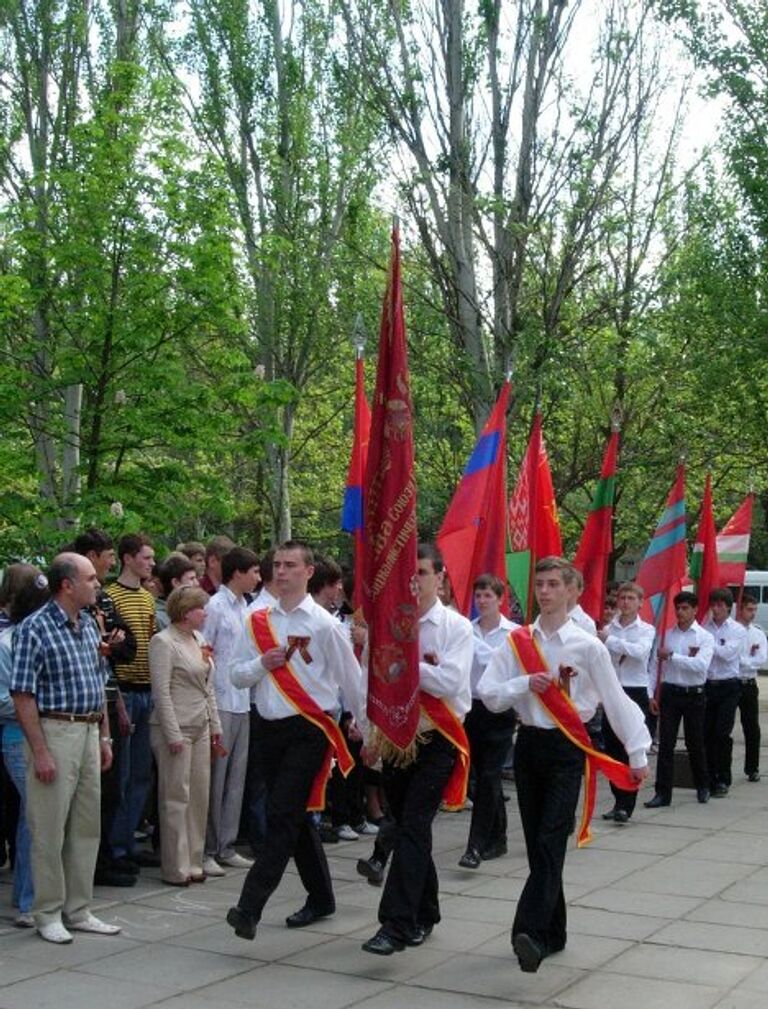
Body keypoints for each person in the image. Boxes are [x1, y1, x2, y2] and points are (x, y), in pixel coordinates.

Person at [478, 557, 649, 973]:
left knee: (552, 838)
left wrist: (638, 752)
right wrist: (524, 684)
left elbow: (614, 699)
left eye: (554, 584)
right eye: (540, 584)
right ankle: (554, 933)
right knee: (539, 844)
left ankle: (530, 934)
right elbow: (487, 693)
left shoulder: (588, 645)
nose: (545, 591)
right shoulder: (517, 641)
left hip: (569, 748)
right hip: (530, 746)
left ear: (571, 591)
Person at [225, 541, 365, 942]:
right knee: (297, 816)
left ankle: (249, 906)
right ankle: (321, 897)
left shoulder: (323, 624)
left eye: (290, 565)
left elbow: (351, 679)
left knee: (282, 813)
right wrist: (260, 664)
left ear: (308, 572)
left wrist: (365, 726)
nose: (281, 571)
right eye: (277, 565)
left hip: (310, 729)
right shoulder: (256, 620)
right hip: (268, 726)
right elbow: (234, 675)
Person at [361, 543, 473, 956]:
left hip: (438, 737)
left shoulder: (457, 627)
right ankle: (426, 911)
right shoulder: (389, 622)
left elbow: (450, 683)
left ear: (440, 578)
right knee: (411, 826)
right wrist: (368, 728)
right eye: (410, 575)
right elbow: (370, 677)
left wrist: (409, 662)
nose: (416, 581)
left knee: (411, 826)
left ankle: (395, 923)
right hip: (395, 736)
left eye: (424, 573)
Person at [10, 553, 122, 943]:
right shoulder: (34, 629)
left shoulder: (89, 624)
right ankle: (46, 911)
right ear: (67, 585)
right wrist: (39, 750)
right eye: (91, 578)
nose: (98, 584)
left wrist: (105, 736)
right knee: (49, 827)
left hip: (89, 729)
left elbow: (98, 681)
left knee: (86, 826)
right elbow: (23, 693)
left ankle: (79, 908)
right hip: (55, 730)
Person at [149, 585, 222, 885]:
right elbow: (161, 691)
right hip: (175, 726)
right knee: (176, 795)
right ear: (186, 611)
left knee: (199, 796)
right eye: (200, 608)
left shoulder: (199, 639)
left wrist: (216, 725)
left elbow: (209, 687)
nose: (205, 613)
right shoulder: (163, 642)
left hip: (201, 724)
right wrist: (172, 732)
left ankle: (194, 859)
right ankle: (175, 864)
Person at [202, 547, 260, 877]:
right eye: (253, 571)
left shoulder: (246, 607)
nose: (257, 577)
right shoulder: (215, 606)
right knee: (217, 778)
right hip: (220, 700)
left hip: (242, 701)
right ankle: (209, 847)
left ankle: (227, 843)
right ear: (236, 572)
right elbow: (204, 650)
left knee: (236, 778)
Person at [0, 565, 50, 926]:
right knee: (37, 816)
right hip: (19, 738)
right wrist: (40, 707)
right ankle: (32, 900)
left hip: (40, 735)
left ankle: (26, 896)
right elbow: (6, 699)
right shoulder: (7, 643)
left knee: (30, 818)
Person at [105, 533, 158, 872]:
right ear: (127, 558)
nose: (151, 564)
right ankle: (116, 846)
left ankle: (128, 839)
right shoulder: (111, 596)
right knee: (121, 776)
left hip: (147, 688)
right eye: (146, 558)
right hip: (123, 688)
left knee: (141, 773)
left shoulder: (148, 599)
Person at [458, 573, 517, 869]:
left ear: (500, 599)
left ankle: (475, 846)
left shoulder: (514, 633)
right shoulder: (466, 629)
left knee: (490, 776)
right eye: (478, 596)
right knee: (481, 777)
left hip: (500, 709)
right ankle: (499, 836)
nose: (482, 602)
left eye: (488, 596)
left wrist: (474, 646)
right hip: (472, 709)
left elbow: (501, 662)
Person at [645, 589, 714, 808]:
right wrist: (651, 694)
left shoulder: (704, 637)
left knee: (695, 742)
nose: (681, 612)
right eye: (678, 608)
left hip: (694, 694)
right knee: (666, 744)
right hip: (671, 693)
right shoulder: (667, 635)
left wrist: (673, 656)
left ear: (695, 610)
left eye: (685, 608)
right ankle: (662, 793)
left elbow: (701, 666)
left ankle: (703, 785)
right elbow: (655, 666)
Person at [598, 582, 655, 823]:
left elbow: (639, 652)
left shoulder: (646, 629)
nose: (625, 602)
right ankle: (617, 797)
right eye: (622, 598)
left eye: (631, 598)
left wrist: (609, 640)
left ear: (640, 603)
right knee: (611, 748)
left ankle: (627, 803)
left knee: (630, 746)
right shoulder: (609, 627)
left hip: (634, 690)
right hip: (613, 690)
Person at [702, 587, 747, 796]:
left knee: (722, 732)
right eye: (714, 604)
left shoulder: (737, 630)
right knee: (707, 733)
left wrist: (707, 647)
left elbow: (728, 654)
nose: (716, 609)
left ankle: (723, 777)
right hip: (709, 685)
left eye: (721, 605)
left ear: (728, 607)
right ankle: (708, 777)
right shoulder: (705, 627)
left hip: (729, 685)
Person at [737, 592, 766, 782]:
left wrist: (745, 662)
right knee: (721, 728)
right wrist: (748, 660)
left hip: (748, 683)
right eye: (749, 609)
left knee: (752, 727)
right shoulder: (732, 631)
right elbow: (729, 658)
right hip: (732, 682)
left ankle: (752, 767)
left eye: (754, 609)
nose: (752, 613)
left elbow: (762, 660)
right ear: (739, 610)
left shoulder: (757, 632)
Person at [156, 553, 199, 631]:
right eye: (191, 579)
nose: (197, 583)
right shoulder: (160, 618)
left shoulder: (195, 611)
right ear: (176, 582)